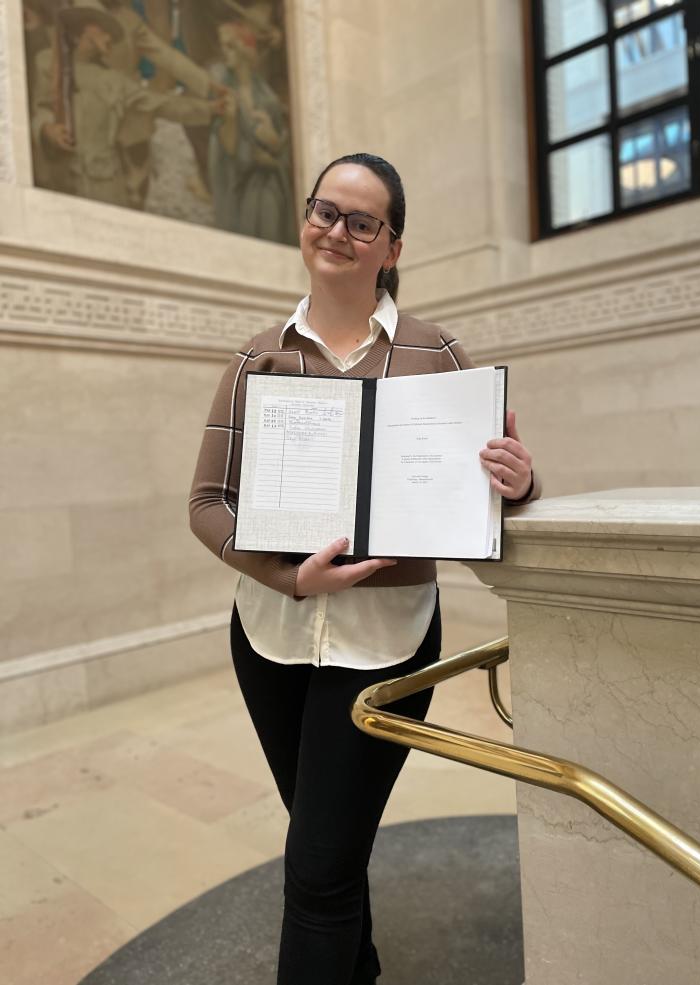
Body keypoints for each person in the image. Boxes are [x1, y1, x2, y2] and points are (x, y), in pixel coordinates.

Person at [189, 152, 540, 985]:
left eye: (360, 221)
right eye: (323, 211)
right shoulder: (258, 357)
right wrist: (286, 578)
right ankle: (362, 966)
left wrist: (519, 483)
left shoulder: (434, 352)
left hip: (387, 643)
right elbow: (207, 503)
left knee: (314, 867)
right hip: (268, 637)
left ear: (392, 246)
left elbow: (489, 506)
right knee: (325, 842)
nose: (335, 231)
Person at [31, 1, 224, 207]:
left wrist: (207, 84)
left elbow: (164, 54)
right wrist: (47, 127)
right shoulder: (74, 15)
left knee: (134, 191)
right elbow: (49, 89)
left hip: (132, 119)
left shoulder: (129, 18)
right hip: (83, 125)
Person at [208, 19, 296, 243]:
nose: (224, 52)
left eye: (230, 46)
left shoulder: (268, 100)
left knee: (270, 233)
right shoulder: (223, 93)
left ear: (244, 51)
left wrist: (274, 143)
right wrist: (231, 122)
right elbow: (223, 148)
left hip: (268, 183)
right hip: (239, 183)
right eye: (222, 46)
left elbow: (284, 153)